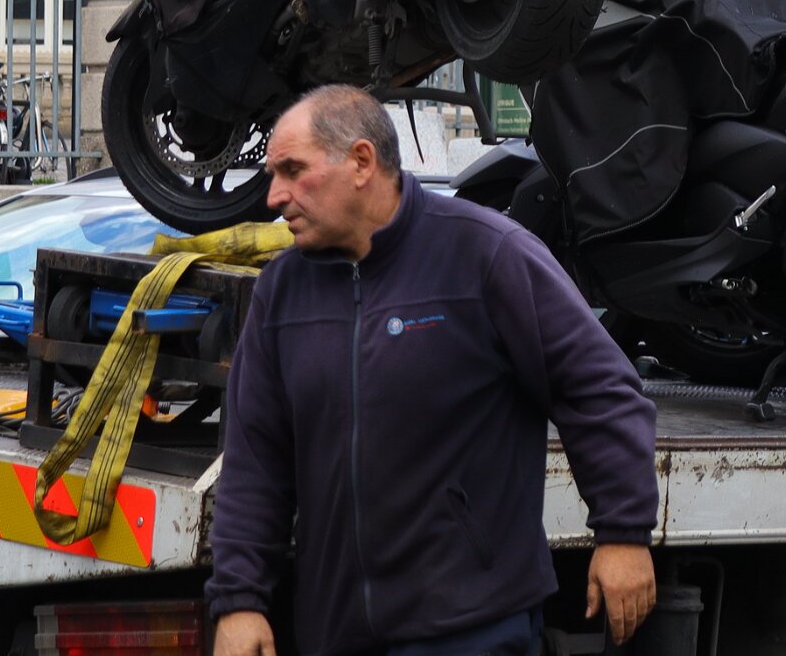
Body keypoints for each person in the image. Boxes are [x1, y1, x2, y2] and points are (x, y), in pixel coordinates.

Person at [207, 87, 660, 656]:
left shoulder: (485, 253)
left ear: (362, 162)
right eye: (273, 175)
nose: (274, 195)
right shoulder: (282, 292)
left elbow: (599, 388)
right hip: (337, 634)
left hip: (471, 628)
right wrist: (240, 601)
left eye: (293, 171)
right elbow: (255, 462)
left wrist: (623, 533)